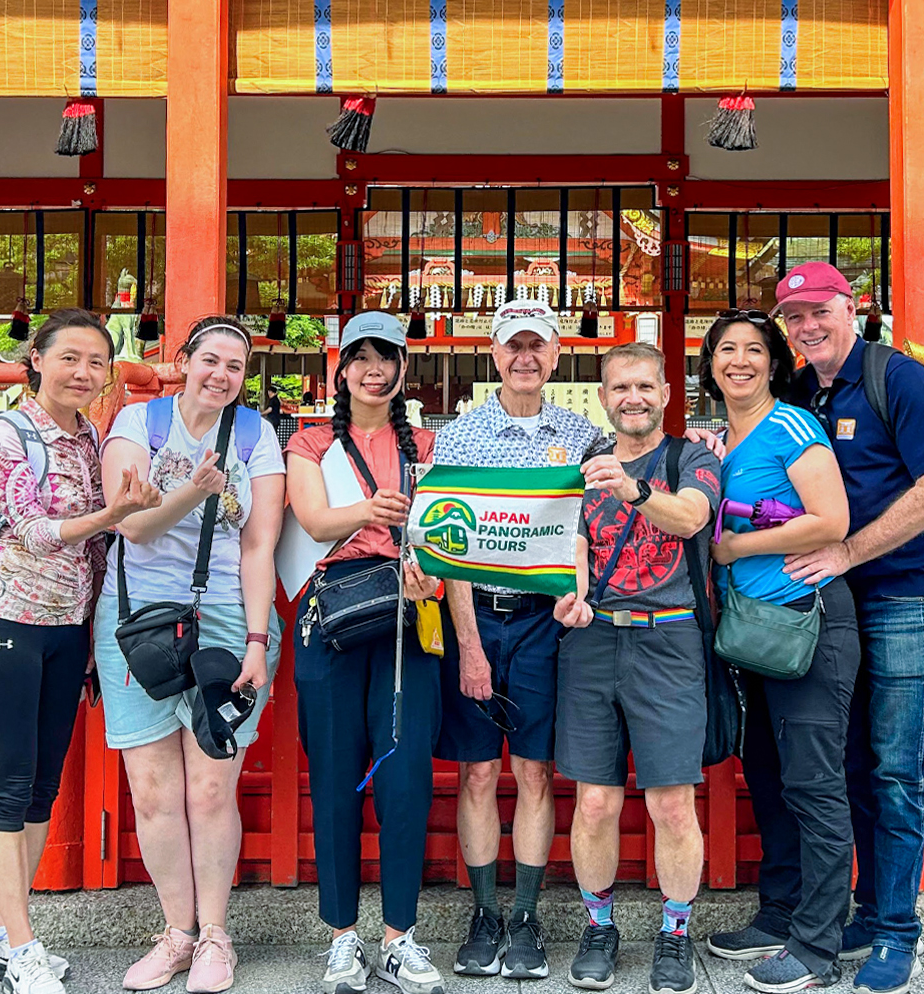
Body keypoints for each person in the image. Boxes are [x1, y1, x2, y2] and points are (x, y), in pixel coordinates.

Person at [773, 262, 924, 994]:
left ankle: (898, 932)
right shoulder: (801, 391)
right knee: (847, 761)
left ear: (853, 309)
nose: (807, 326)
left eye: (819, 310)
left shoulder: (898, 379)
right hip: (830, 602)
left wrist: (850, 548)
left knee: (894, 768)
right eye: (794, 317)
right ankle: (868, 907)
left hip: (901, 594)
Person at [0, 308, 161, 994]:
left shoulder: (91, 438)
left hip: (69, 624)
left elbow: (102, 548)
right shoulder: (6, 434)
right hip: (7, 615)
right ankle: (22, 945)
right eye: (69, 357)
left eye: (96, 362)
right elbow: (34, 530)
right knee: (11, 779)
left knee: (44, 783)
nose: (83, 372)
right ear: (37, 360)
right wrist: (114, 514)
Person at [95, 316, 285, 994]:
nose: (221, 376)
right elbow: (135, 526)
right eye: (209, 360)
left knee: (210, 788)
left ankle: (214, 936)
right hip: (138, 618)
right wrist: (195, 490)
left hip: (226, 617)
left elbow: (260, 544)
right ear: (183, 361)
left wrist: (259, 641)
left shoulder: (257, 437)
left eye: (235, 366)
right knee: (152, 792)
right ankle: (175, 931)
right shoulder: (137, 426)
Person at [434, 299, 603, 980]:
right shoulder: (461, 437)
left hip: (542, 621)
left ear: (557, 355)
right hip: (478, 618)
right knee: (476, 771)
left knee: (534, 770)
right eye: (513, 347)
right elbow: (448, 545)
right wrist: (469, 648)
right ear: (495, 355)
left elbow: (589, 530)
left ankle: (528, 915)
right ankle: (483, 913)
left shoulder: (582, 435)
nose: (525, 358)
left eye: (538, 346)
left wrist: (580, 590)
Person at [697, 310, 859, 993]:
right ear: (709, 364)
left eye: (754, 350)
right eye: (726, 350)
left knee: (813, 784)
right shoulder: (721, 443)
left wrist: (737, 547)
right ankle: (780, 913)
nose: (740, 361)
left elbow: (832, 519)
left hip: (804, 622)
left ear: (773, 363)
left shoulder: (791, 424)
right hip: (753, 631)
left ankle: (819, 944)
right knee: (768, 774)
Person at [286, 311, 447, 994]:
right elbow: (315, 521)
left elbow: (446, 532)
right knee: (333, 777)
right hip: (334, 613)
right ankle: (341, 938)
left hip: (410, 612)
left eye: (388, 358)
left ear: (404, 370)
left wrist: (429, 574)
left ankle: (400, 936)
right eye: (362, 358)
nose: (374, 370)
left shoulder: (430, 444)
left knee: (406, 775)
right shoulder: (310, 441)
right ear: (341, 369)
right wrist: (374, 512)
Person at [551, 343, 720, 994]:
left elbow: (691, 517)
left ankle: (675, 932)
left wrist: (634, 487)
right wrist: (571, 595)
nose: (633, 398)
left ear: (667, 392)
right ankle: (600, 923)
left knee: (673, 804)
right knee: (594, 801)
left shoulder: (690, 459)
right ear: (603, 397)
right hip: (594, 642)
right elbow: (571, 546)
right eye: (620, 387)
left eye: (645, 386)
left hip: (670, 640)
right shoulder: (581, 469)